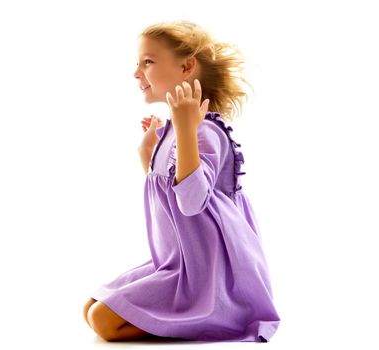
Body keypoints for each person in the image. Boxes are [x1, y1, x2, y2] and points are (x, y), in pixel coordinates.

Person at [83, 20, 280, 343]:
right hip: (177, 260)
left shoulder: (205, 131)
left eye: (147, 62)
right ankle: (180, 312)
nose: (136, 74)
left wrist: (187, 130)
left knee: (104, 321)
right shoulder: (179, 129)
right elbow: (170, 192)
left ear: (187, 67)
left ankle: (222, 316)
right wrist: (148, 152)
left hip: (206, 273)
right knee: (91, 308)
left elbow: (191, 201)